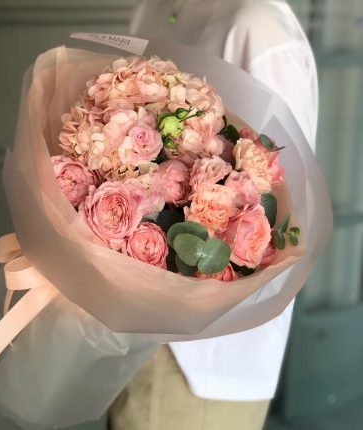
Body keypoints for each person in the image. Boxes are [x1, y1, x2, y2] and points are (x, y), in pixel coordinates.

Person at [108, 1, 318, 429]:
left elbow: (283, 213)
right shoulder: (153, 7)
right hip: (131, 331)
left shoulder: (257, 29)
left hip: (203, 361)